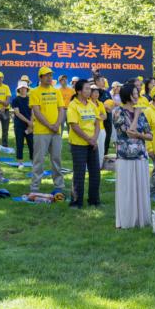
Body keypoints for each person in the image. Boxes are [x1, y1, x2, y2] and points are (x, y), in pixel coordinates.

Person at [113, 82, 153, 228]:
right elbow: (128, 132)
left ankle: (141, 220)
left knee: (141, 188)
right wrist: (135, 116)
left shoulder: (142, 112)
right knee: (127, 190)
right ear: (128, 96)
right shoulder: (118, 112)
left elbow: (150, 135)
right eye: (135, 94)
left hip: (141, 155)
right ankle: (127, 220)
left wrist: (139, 135)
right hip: (125, 157)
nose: (138, 96)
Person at [29, 66, 65, 194]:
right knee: (39, 160)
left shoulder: (56, 91)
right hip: (41, 131)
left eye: (51, 75)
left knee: (56, 158)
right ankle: (34, 187)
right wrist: (50, 125)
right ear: (40, 77)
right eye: (47, 75)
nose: (50, 77)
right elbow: (36, 112)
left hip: (56, 131)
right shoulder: (34, 92)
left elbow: (61, 109)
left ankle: (59, 185)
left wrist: (57, 124)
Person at [66, 79, 100, 208]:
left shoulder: (92, 104)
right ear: (79, 91)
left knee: (95, 173)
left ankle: (94, 200)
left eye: (89, 89)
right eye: (86, 88)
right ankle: (76, 202)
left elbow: (97, 122)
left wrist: (94, 139)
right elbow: (74, 126)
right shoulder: (73, 105)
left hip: (92, 144)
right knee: (79, 173)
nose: (89, 91)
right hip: (78, 144)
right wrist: (89, 139)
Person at [11, 81, 33, 169]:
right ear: (19, 89)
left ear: (27, 89)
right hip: (19, 125)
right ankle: (20, 162)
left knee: (31, 143)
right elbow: (17, 113)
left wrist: (31, 124)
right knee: (19, 143)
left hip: (29, 125)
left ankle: (33, 161)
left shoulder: (30, 99)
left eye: (25, 88)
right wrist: (28, 122)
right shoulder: (15, 100)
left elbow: (33, 112)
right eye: (21, 88)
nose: (23, 89)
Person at [90, 85, 107, 168]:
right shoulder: (87, 103)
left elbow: (105, 116)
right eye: (94, 92)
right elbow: (90, 118)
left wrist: (96, 118)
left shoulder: (100, 103)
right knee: (90, 148)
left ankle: (99, 166)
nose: (96, 94)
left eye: (97, 92)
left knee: (101, 148)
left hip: (101, 129)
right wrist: (99, 116)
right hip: (90, 129)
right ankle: (88, 166)